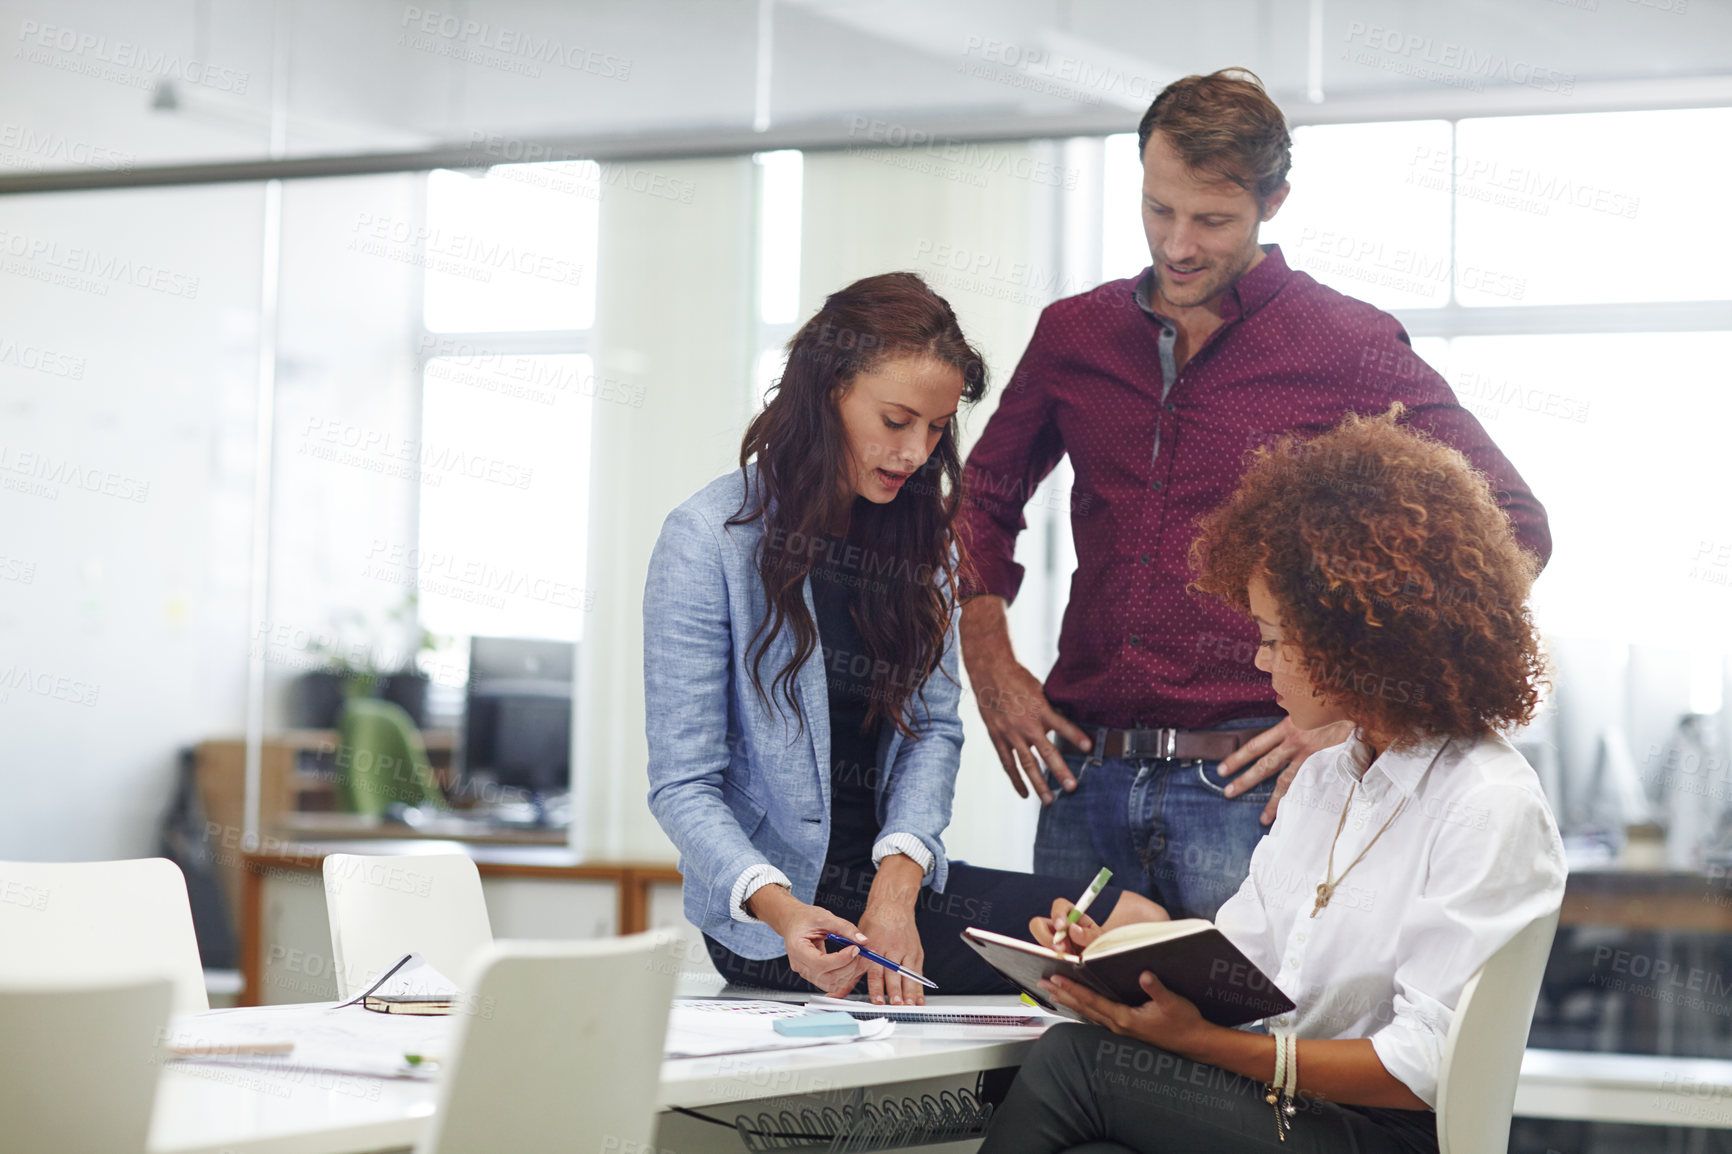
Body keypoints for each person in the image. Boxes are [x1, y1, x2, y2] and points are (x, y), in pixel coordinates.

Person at [957, 68, 1551, 922]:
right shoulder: (1073, 335)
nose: (1179, 245)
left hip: (1248, 789)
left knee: (1242, 1040)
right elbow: (983, 495)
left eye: (1212, 219)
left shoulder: (1346, 342)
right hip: (1083, 781)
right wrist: (990, 660)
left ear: (1273, 203)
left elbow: (1513, 526)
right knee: (1071, 1033)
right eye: (1159, 209)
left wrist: (1350, 711)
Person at [975, 408, 1566, 1154]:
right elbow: (1240, 967)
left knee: (1072, 1067)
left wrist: (1210, 1048)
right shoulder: (1323, 780)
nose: (1261, 663)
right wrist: (1118, 966)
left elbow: (1427, 1068)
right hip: (1289, 1107)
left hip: (1386, 1134)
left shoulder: (1487, 802)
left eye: (1276, 639)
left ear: (1362, 638)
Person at [644, 272, 1124, 1006]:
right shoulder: (707, 539)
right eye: (896, 421)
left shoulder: (922, 539)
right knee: (1108, 954)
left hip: (898, 893)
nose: (915, 453)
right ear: (827, 391)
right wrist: (781, 910)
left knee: (1132, 930)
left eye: (935, 429)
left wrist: (897, 893)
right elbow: (684, 785)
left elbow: (933, 728)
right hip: (780, 922)